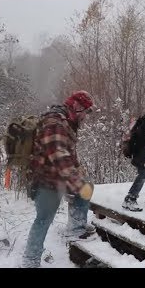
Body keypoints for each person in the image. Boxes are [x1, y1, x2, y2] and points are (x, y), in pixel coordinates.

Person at [21, 90, 96, 268]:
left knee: (86, 187)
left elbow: (68, 153)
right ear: (77, 108)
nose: (86, 116)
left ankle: (76, 228)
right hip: (46, 181)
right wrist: (78, 184)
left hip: (58, 178)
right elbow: (60, 157)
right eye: (85, 111)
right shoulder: (55, 124)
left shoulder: (67, 122)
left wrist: (78, 173)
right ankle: (30, 260)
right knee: (44, 219)